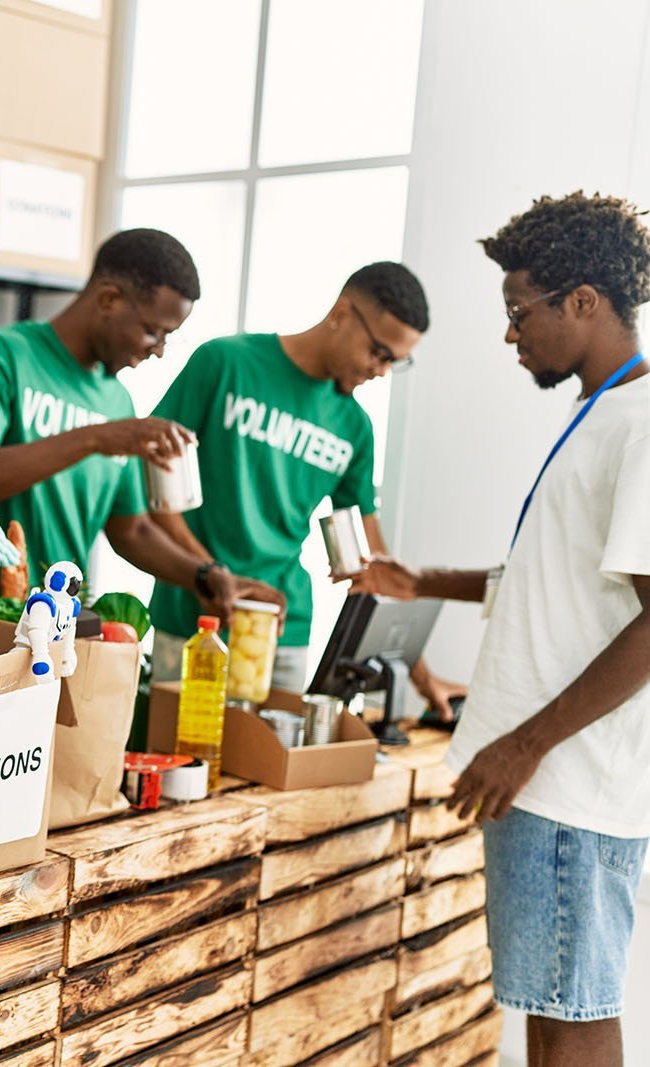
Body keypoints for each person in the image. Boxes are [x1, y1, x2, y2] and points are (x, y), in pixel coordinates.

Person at [354, 192, 650, 1067]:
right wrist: (422, 582)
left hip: (565, 783)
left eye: (521, 312)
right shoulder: (603, 414)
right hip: (552, 785)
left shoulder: (640, 423)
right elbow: (561, 582)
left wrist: (523, 745)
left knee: (571, 1019)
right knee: (553, 1014)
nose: (511, 334)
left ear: (584, 301)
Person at [145, 262, 460, 708]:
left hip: (283, 631)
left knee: (276, 755)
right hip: (195, 622)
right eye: (379, 352)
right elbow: (155, 485)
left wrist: (424, 681)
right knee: (181, 755)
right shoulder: (225, 363)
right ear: (342, 313)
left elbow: (367, 565)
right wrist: (212, 577)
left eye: (395, 361)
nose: (382, 371)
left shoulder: (354, 427)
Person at [0, 228, 280, 619]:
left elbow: (132, 530)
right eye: (153, 331)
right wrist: (93, 439)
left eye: (168, 338)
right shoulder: (1, 356)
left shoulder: (118, 402)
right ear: (109, 299)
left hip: (52, 628)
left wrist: (204, 575)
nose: (159, 351)